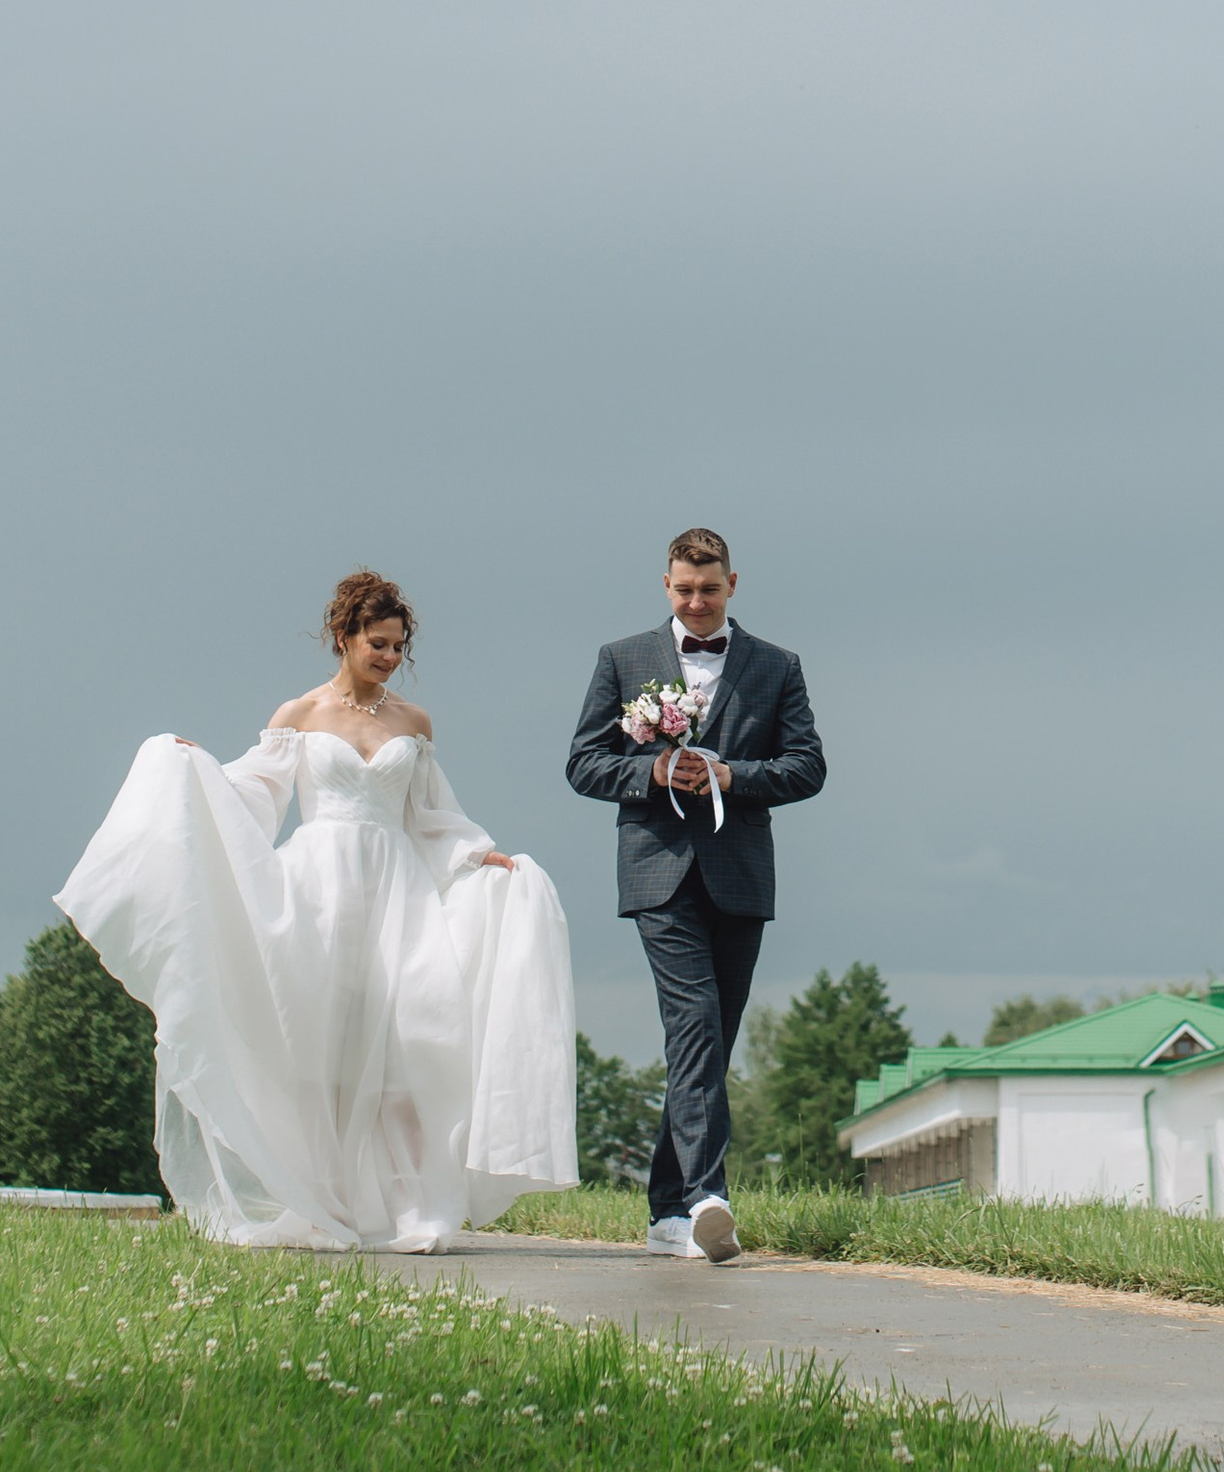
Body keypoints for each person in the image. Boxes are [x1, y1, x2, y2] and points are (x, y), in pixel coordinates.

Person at [59, 568, 577, 1248]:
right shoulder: (299, 716)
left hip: (398, 894)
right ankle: (318, 1203)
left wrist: (480, 856)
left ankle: (413, 1208)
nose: (388, 658)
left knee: (409, 1041)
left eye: (397, 647)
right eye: (377, 644)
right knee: (319, 1052)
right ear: (344, 636)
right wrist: (202, 774)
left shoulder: (412, 724)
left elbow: (429, 815)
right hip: (318, 890)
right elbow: (253, 798)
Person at [565, 526, 826, 1261]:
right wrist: (649, 772)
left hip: (740, 873)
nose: (697, 600)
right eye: (684, 588)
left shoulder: (778, 666)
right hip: (657, 872)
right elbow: (584, 763)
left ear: (733, 584)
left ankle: (665, 1214)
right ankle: (709, 1196)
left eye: (710, 588)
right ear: (666, 585)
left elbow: (808, 767)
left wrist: (733, 776)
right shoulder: (622, 660)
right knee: (695, 1027)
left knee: (710, 1040)